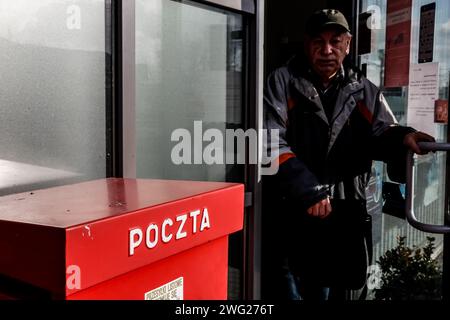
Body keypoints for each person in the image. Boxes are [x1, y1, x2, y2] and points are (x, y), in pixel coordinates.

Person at [262, 8, 435, 300]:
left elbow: (381, 131)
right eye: (318, 41)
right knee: (290, 284)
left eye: (336, 40)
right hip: (293, 206)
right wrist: (308, 189)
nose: (327, 50)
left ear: (348, 44)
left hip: (341, 212)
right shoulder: (282, 82)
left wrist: (404, 137)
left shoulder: (364, 90)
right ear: (307, 44)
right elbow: (269, 142)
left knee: (332, 287)